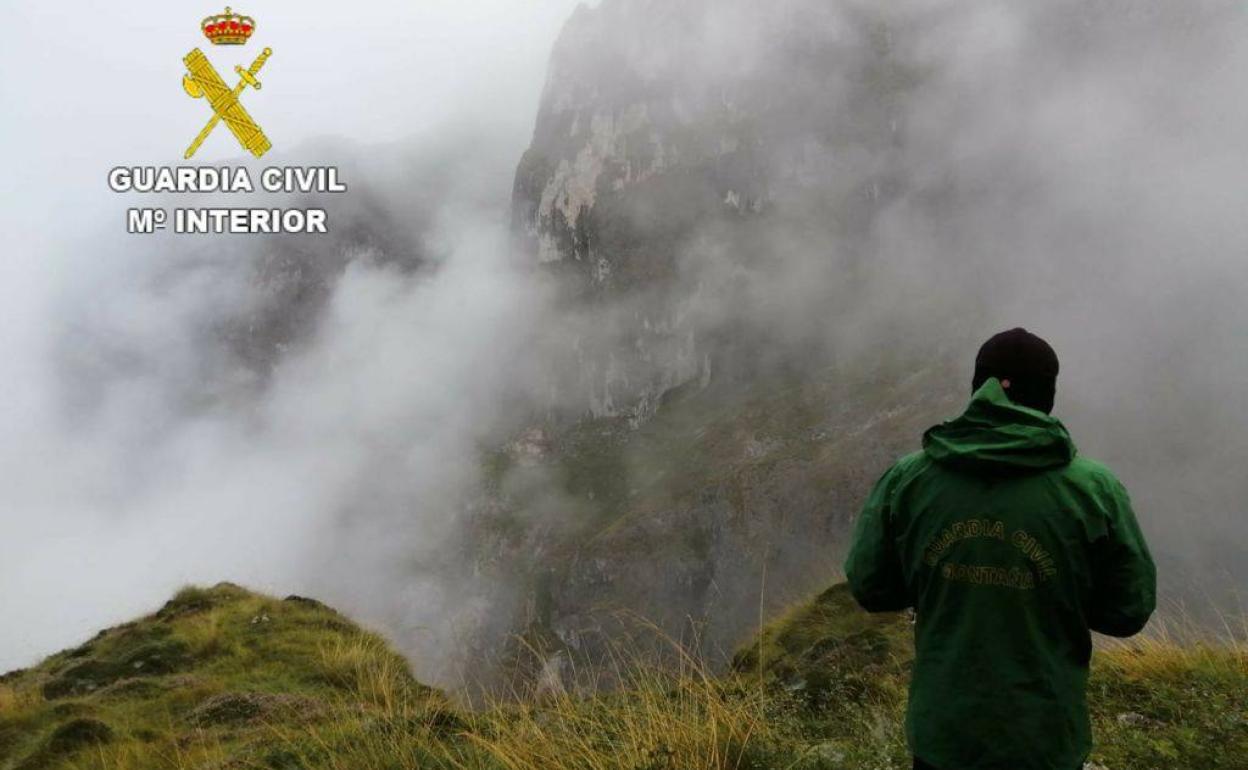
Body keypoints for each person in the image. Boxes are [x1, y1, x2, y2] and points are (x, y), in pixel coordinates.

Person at [844, 328, 1156, 770]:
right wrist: (1056, 595)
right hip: (1044, 737)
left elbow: (870, 587)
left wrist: (936, 589)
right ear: (1047, 395)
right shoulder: (1094, 490)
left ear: (978, 390)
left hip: (944, 736)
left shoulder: (909, 479)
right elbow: (1128, 611)